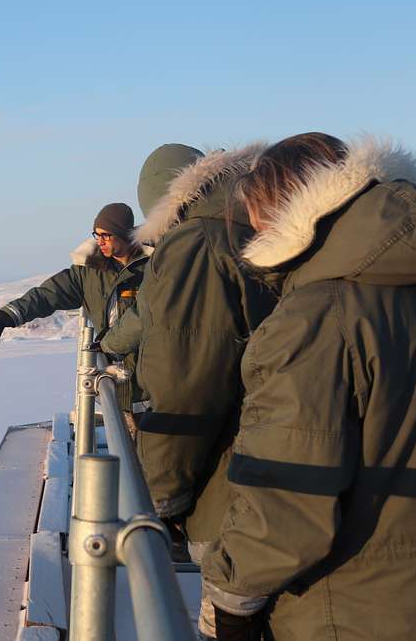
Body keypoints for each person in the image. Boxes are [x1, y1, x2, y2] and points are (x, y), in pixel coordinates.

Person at [200, 133, 416, 640]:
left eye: (255, 215)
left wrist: (232, 600)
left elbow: (287, 499)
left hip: (351, 608)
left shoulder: (314, 319)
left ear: (282, 211)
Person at [100, 143, 276, 638]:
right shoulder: (250, 228)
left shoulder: (196, 245)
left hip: (239, 485)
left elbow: (186, 380)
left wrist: (161, 501)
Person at [0, 202, 152, 416]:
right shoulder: (88, 271)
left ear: (124, 234)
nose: (99, 241)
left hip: (151, 387)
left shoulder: (153, 268)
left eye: (106, 235)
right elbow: (46, 295)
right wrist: (6, 316)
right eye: (96, 234)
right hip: (111, 385)